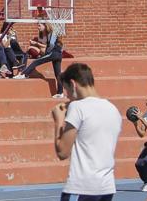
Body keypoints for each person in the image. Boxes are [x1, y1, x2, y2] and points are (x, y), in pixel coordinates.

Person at [51, 63, 121, 201]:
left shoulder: (77, 107)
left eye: (66, 89)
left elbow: (62, 152)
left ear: (73, 84)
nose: (67, 95)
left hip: (81, 187)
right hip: (106, 187)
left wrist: (58, 121)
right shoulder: (113, 109)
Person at [17, 20, 65, 97]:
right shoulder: (50, 34)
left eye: (39, 25)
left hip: (54, 53)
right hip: (58, 55)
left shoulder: (51, 33)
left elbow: (52, 44)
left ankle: (24, 74)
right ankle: (60, 93)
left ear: (45, 25)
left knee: (35, 62)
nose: (38, 27)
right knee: (58, 74)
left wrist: (47, 53)